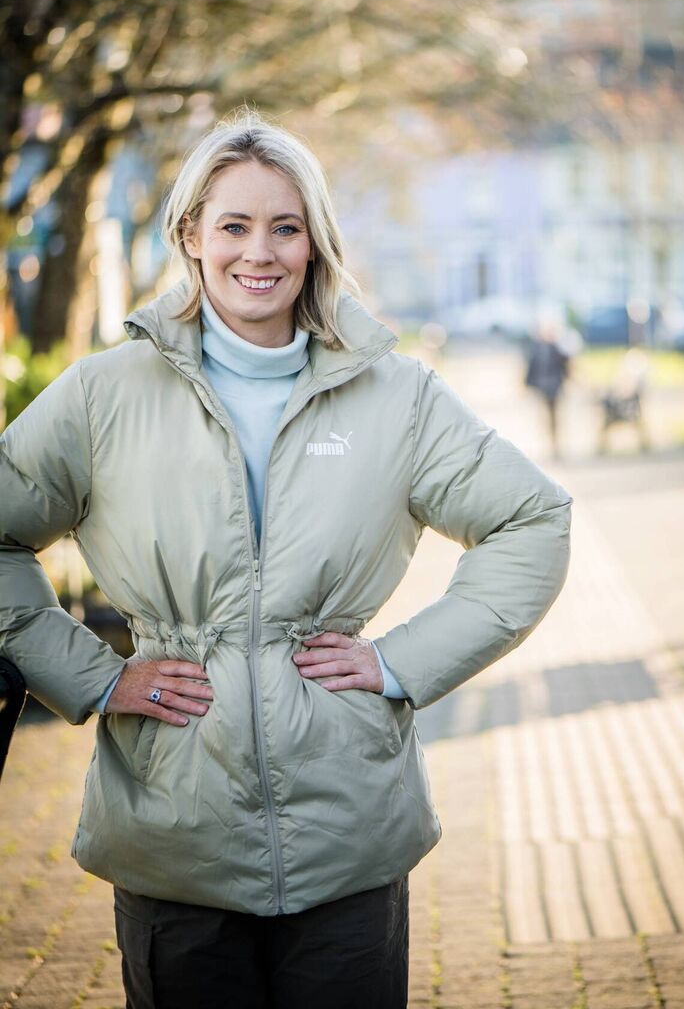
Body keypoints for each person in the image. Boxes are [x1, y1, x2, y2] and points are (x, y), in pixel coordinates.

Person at [0, 112, 573, 1009]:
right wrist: (94, 677)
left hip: (348, 837)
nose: (257, 252)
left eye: (285, 226)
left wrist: (398, 664)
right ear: (190, 235)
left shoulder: (399, 395)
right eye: (232, 225)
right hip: (173, 831)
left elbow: (534, 518)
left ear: (315, 242)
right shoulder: (104, 396)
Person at [523, 316, 571, 460]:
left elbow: (565, 367)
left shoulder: (557, 348)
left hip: (554, 387)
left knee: (554, 416)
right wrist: (527, 384)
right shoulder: (537, 349)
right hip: (542, 387)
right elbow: (532, 367)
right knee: (544, 417)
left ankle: (555, 444)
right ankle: (548, 443)